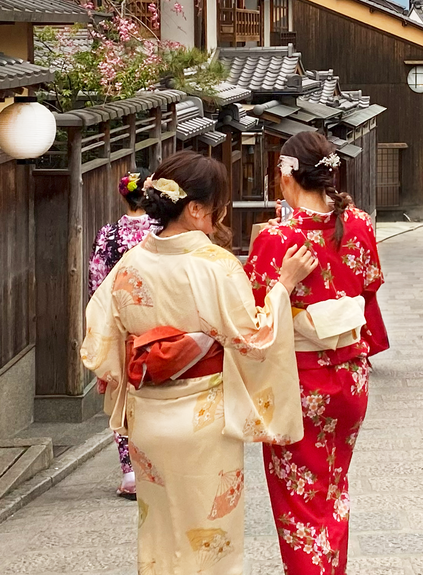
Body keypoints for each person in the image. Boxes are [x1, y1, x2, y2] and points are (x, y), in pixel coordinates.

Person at [81, 150, 316, 574]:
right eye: (215, 209)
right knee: (211, 540)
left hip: (149, 420)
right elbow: (256, 340)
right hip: (202, 420)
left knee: (160, 534)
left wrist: (141, 363)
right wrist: (282, 286)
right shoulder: (216, 266)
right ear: (194, 209)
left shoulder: (130, 264)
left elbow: (100, 337)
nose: (217, 218)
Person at [245, 130, 388, 575]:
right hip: (350, 380)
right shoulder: (359, 224)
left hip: (301, 383)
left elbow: (256, 316)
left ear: (287, 177)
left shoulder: (275, 237)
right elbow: (366, 290)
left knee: (299, 502)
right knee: (332, 489)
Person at [88, 170, 158, 498]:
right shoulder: (161, 230)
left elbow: (97, 278)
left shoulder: (110, 233)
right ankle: (155, 466)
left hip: (121, 323)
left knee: (122, 395)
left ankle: (129, 472)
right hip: (159, 321)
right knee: (156, 391)